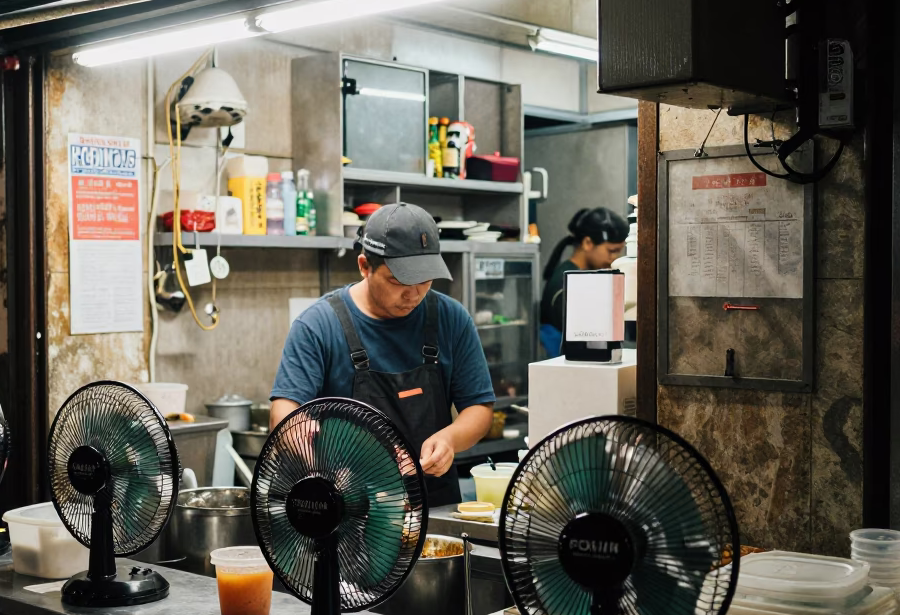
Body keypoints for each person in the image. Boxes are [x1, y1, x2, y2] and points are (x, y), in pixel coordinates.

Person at [270, 203, 495, 507]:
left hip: (432, 508)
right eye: (399, 281)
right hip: (347, 512)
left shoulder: (451, 318)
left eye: (425, 280)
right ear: (364, 266)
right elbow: (284, 410)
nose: (414, 294)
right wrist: (298, 435)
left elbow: (479, 409)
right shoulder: (318, 325)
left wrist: (450, 439)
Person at [539, 207, 630, 357]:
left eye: (619, 251)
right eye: (611, 251)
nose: (615, 258)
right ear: (587, 243)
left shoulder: (583, 277)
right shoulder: (567, 283)